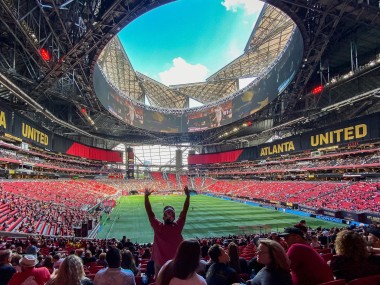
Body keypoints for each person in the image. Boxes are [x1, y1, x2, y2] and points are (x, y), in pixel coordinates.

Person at [144, 185, 190, 275]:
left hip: (160, 263)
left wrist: (146, 197)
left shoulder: (159, 227)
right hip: (175, 263)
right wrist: (188, 196)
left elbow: (150, 213)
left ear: (163, 218)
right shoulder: (177, 227)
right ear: (174, 217)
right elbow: (184, 211)